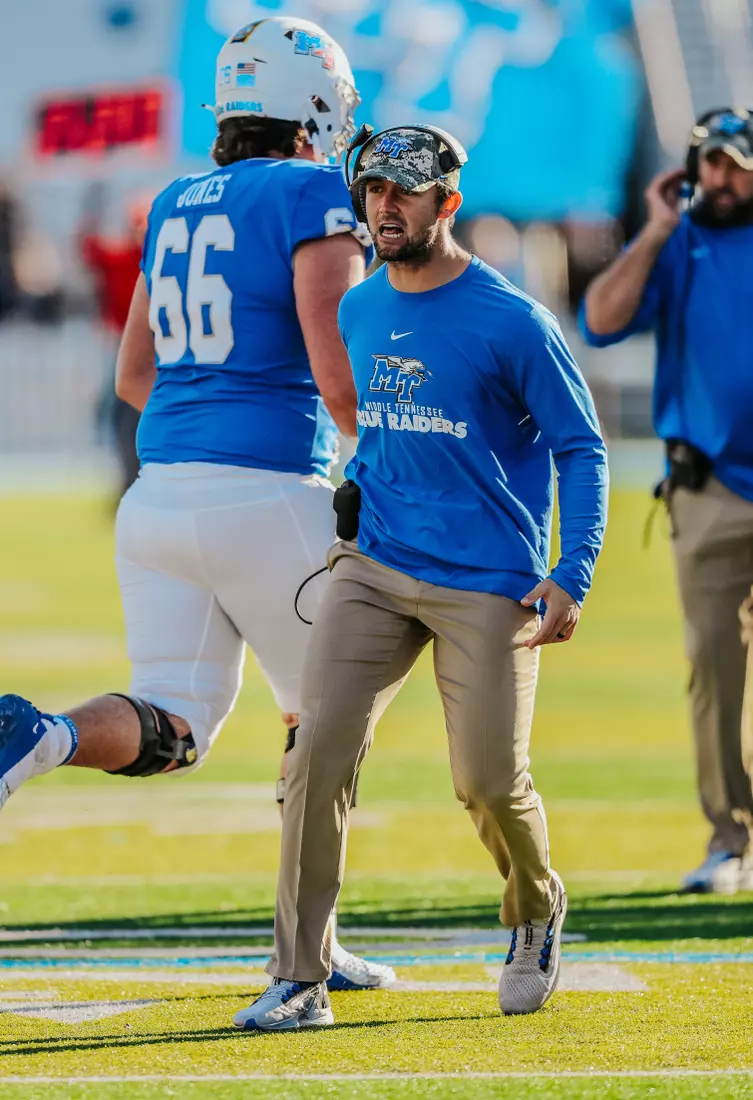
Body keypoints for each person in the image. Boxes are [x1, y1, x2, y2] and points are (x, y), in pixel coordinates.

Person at [0, 15, 394, 991]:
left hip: (160, 495)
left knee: (173, 723)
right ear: (314, 106)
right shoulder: (312, 190)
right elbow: (333, 371)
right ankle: (309, 950)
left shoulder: (176, 199)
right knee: (329, 718)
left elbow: (135, 374)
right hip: (267, 492)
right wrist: (387, 454)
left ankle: (38, 731)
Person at [236, 123, 608, 1032]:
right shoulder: (358, 306)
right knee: (314, 753)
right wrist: (355, 489)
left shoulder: (513, 320)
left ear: (447, 201)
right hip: (377, 567)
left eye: (404, 190)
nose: (383, 205)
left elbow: (581, 447)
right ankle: (299, 975)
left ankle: (534, 907)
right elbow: (382, 429)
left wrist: (573, 570)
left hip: (489, 581)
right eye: (371, 190)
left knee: (486, 780)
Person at [580, 107, 753, 894]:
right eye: (710, 163)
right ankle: (732, 842)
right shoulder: (677, 246)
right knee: (714, 676)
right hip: (708, 487)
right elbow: (601, 319)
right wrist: (652, 229)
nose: (723, 178)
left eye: (736, 163)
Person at [80, 197, 147, 498]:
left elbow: (90, 248)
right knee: (117, 411)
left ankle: (134, 476)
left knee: (124, 409)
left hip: (144, 345)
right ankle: (130, 475)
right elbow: (90, 249)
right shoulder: (128, 257)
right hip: (127, 342)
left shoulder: (132, 258)